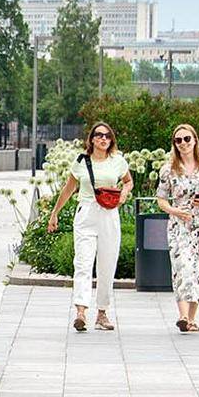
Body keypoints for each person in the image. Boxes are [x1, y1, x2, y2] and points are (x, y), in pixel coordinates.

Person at [45, 121, 132, 332]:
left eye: (108, 136)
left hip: (109, 214)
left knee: (107, 264)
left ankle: (102, 313)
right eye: (99, 135)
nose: (104, 139)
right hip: (86, 212)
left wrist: (123, 194)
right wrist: (54, 213)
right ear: (92, 139)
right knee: (83, 263)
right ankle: (81, 311)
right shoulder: (82, 162)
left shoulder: (117, 161)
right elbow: (69, 188)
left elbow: (128, 181)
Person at [155, 122, 199, 333]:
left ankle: (191, 318)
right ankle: (182, 315)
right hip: (180, 223)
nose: (183, 144)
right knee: (183, 266)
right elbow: (161, 199)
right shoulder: (168, 170)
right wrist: (175, 211)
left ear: (194, 140)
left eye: (186, 139)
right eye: (178, 140)